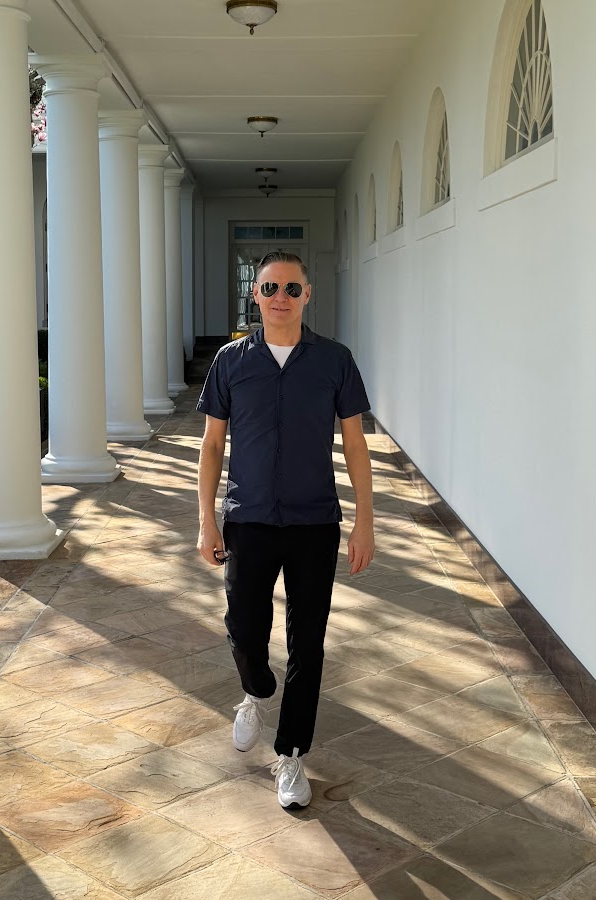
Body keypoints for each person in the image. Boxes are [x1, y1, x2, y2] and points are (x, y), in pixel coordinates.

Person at [196, 250, 375, 810]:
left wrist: (365, 521)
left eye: (292, 288)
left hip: (314, 521)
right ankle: (255, 691)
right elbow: (212, 445)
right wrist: (205, 520)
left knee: (308, 641)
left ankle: (291, 754)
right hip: (248, 518)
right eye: (270, 288)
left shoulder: (334, 361)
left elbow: (355, 444)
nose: (281, 297)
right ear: (255, 294)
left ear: (307, 295)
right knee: (243, 628)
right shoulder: (230, 361)